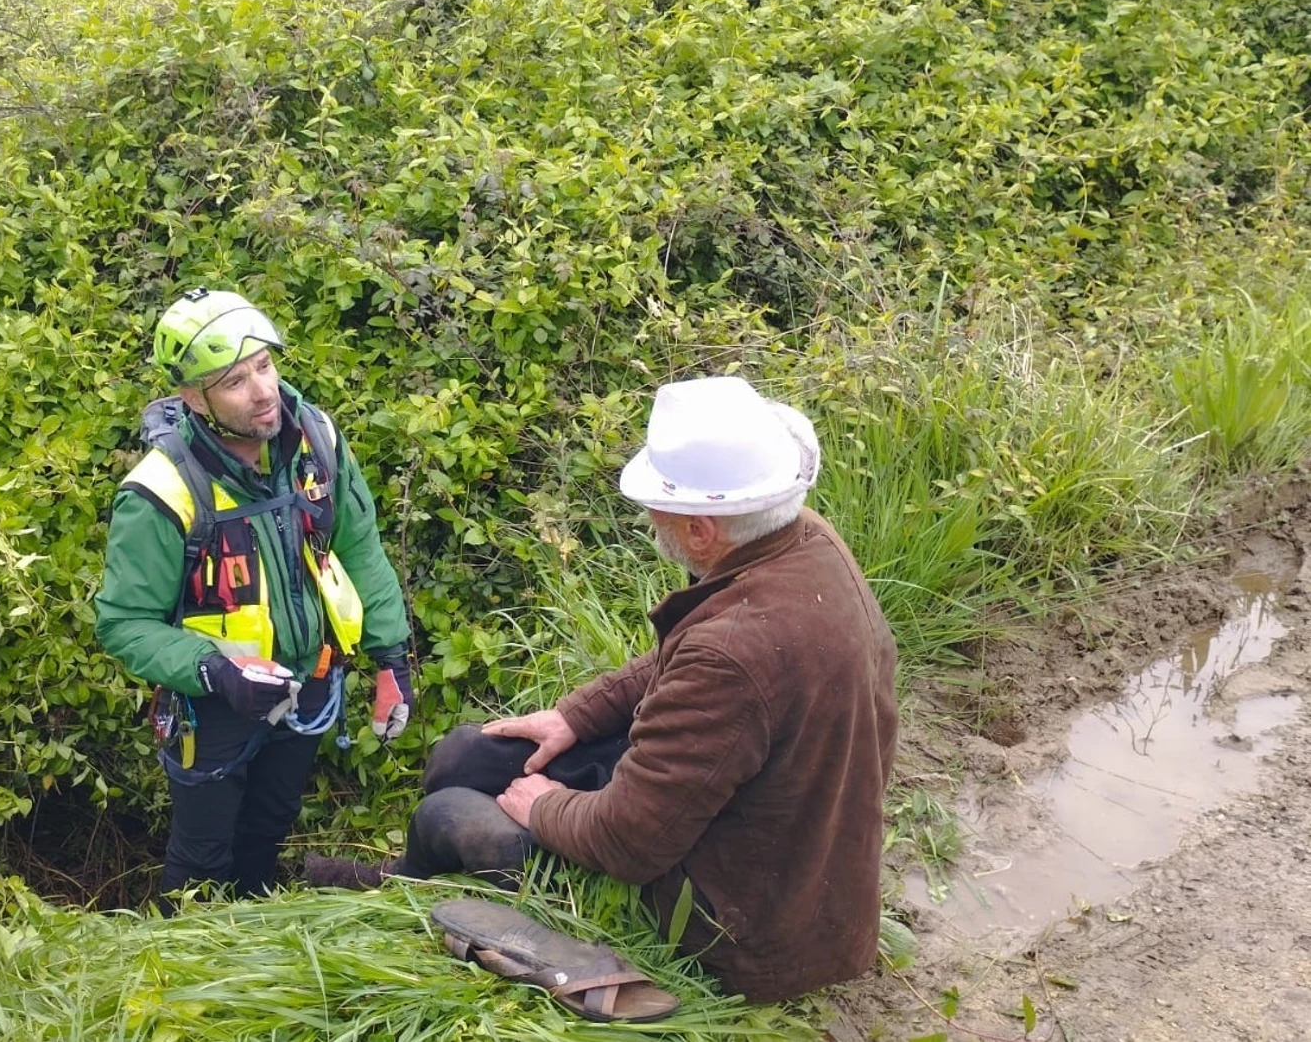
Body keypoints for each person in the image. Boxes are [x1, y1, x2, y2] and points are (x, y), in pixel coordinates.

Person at [306, 375, 899, 1004]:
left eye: (658, 504)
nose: (650, 519)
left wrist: (544, 807)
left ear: (702, 530)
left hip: (736, 926)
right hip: (774, 837)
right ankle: (416, 874)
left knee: (448, 813)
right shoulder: (800, 541)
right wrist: (574, 716)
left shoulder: (731, 653)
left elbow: (629, 841)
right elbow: (690, 657)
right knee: (466, 755)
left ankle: (415, 888)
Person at [96, 287, 415, 906]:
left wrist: (391, 660)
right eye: (236, 381)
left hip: (311, 680)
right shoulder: (160, 492)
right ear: (196, 398)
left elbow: (359, 546)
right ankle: (186, 956)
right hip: (213, 705)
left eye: (264, 366)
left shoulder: (316, 440)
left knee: (267, 832)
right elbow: (125, 624)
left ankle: (260, 946)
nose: (264, 390)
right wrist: (214, 671)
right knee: (202, 858)